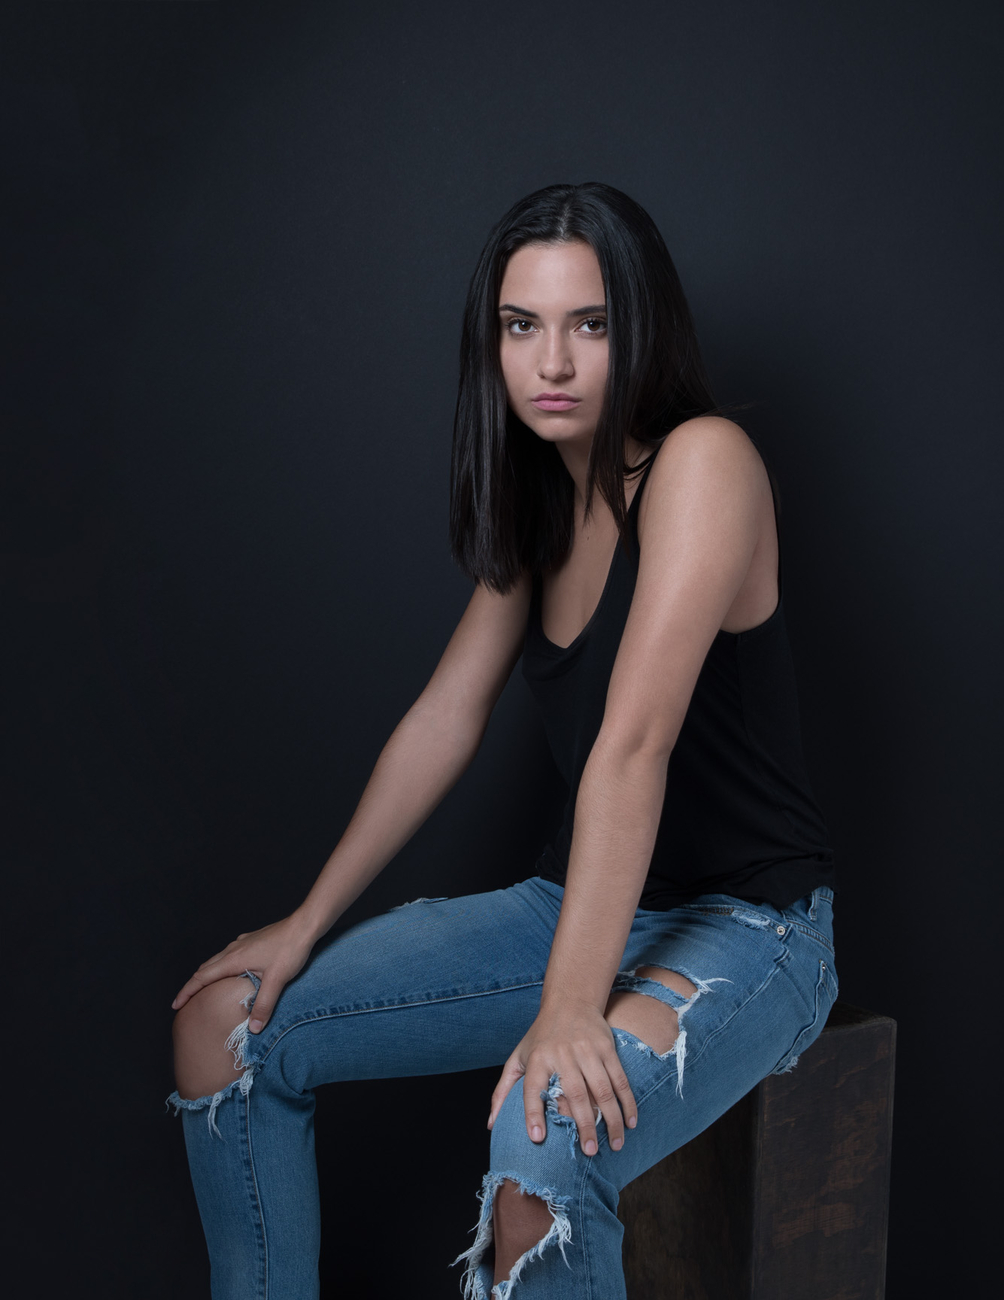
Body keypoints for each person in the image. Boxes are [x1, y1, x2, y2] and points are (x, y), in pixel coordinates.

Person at [166, 181, 837, 1300]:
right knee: (223, 1024)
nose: (551, 362)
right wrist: (307, 919)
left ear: (642, 326)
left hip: (749, 925)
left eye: (590, 324)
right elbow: (444, 716)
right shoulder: (540, 498)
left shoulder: (703, 461)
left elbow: (631, 743)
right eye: (522, 326)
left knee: (542, 1149)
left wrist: (569, 1008)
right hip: (574, 902)